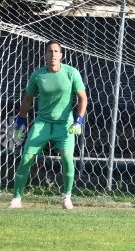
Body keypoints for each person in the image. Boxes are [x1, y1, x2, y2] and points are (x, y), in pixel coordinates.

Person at [9, 40, 88, 210]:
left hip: (64, 125)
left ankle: (67, 197)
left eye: (56, 51)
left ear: (61, 55)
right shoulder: (38, 75)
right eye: (50, 51)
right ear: (45, 55)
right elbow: (28, 99)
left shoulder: (71, 73)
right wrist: (20, 123)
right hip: (42, 124)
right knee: (26, 158)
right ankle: (16, 198)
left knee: (67, 159)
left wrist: (79, 120)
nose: (53, 54)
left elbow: (83, 98)